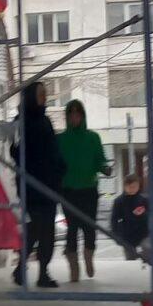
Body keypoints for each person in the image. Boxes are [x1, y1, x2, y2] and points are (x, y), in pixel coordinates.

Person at [10, 82, 65, 288]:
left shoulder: (45, 120)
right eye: (41, 94)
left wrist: (60, 168)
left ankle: (35, 271)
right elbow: (15, 152)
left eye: (45, 93)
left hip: (48, 184)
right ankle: (35, 272)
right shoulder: (20, 122)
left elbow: (53, 150)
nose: (45, 97)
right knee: (38, 229)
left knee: (41, 230)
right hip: (32, 186)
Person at [57, 99, 111, 282]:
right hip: (68, 190)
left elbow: (100, 159)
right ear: (67, 117)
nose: (75, 117)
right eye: (71, 114)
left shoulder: (93, 138)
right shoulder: (60, 140)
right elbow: (55, 165)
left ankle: (88, 256)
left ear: (83, 116)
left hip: (89, 189)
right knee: (72, 228)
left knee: (89, 227)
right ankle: (73, 264)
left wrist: (104, 168)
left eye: (78, 114)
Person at [110, 174, 151, 261]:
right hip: (127, 234)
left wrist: (143, 214)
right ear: (125, 187)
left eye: (135, 187)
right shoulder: (119, 201)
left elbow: (150, 215)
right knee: (130, 257)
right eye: (130, 187)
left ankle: (144, 258)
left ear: (138, 186)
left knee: (147, 248)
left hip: (143, 232)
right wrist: (116, 235)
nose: (132, 189)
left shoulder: (143, 199)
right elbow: (114, 219)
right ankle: (136, 256)